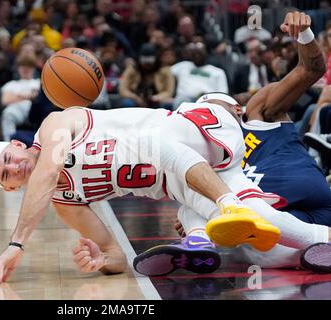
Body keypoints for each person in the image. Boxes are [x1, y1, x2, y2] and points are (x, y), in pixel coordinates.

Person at [0, 12, 331, 284]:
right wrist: (99, 259)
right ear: (12, 189)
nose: (15, 169)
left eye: (8, 159)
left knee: (154, 145)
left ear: (18, 145)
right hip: (190, 178)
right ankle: (214, 237)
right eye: (7, 177)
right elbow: (116, 257)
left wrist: (16, 243)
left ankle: (221, 213)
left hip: (194, 130)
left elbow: (48, 171)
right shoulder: (65, 203)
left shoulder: (54, 125)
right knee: (265, 243)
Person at [135, 11, 331, 276]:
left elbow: (311, 69)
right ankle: (198, 242)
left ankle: (201, 237)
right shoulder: (207, 158)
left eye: (210, 109)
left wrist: (305, 35)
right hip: (276, 227)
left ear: (236, 109)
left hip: (312, 200)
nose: (203, 119)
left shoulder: (258, 112)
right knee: (192, 202)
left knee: (214, 208)